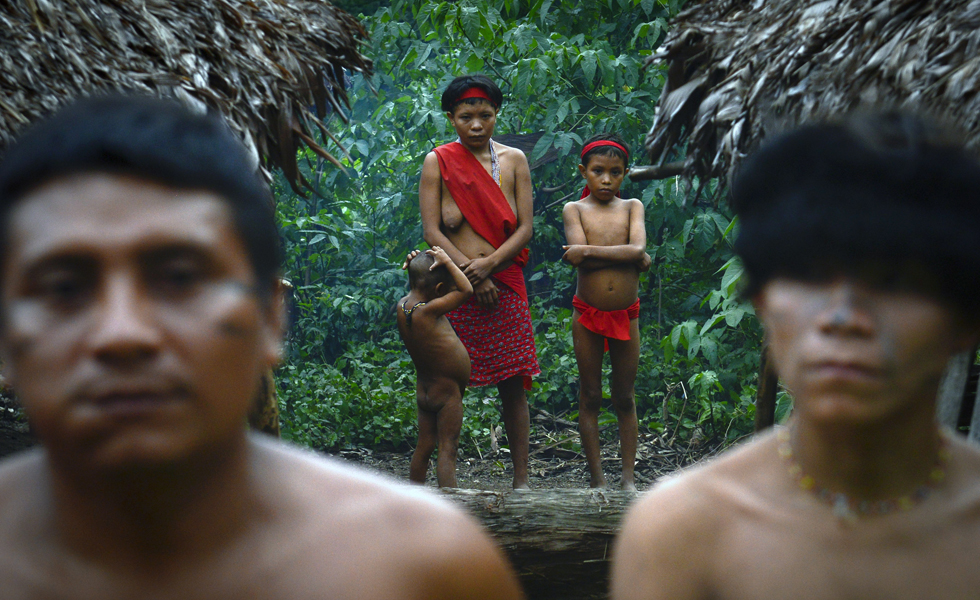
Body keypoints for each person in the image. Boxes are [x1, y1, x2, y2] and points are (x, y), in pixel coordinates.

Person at [0, 96, 525, 600]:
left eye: (180, 279)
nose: (122, 333)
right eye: (64, 289)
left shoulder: (422, 564)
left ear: (271, 318)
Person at [611, 111, 980, 599]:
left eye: (893, 282)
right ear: (763, 301)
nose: (843, 316)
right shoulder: (685, 530)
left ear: (965, 321)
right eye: (809, 275)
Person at [419, 74, 539, 489]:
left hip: (504, 279)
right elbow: (433, 231)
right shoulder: (438, 161)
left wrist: (489, 266)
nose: (475, 125)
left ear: (496, 115)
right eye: (466, 116)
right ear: (450, 117)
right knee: (449, 384)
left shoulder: (515, 161)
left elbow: (525, 228)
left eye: (484, 115)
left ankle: (522, 482)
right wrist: (470, 270)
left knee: (513, 385)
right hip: (455, 284)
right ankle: (443, 480)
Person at [562, 134, 651, 491]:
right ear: (584, 172)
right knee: (591, 395)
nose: (605, 179)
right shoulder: (575, 210)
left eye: (615, 172)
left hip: (626, 314)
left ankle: (628, 479)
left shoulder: (633, 206)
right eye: (598, 171)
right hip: (587, 314)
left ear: (625, 174)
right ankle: (598, 480)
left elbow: (638, 248)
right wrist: (631, 255)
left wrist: (590, 252)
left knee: (625, 396)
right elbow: (634, 254)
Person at [397, 246, 473, 488]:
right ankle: (450, 502)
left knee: (424, 445)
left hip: (425, 390)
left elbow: (419, 280)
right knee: (448, 448)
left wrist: (417, 262)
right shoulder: (430, 311)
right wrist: (448, 261)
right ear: (439, 290)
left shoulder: (403, 307)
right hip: (447, 392)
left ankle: (413, 497)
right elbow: (466, 289)